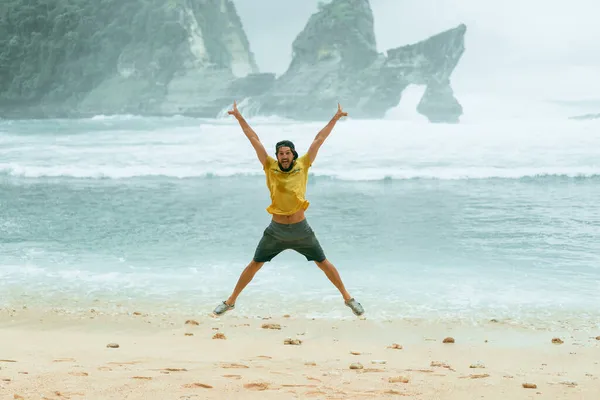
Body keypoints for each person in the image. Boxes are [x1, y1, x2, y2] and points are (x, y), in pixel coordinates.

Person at [212, 101, 364, 317]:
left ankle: (348, 299)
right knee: (254, 264)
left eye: (287, 153)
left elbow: (319, 139)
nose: (283, 156)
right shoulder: (269, 165)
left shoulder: (304, 163)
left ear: (293, 154)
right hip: (276, 231)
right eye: (280, 153)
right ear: (277, 156)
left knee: (323, 263)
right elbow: (253, 138)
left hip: (301, 230)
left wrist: (336, 117)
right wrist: (238, 116)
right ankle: (230, 302)